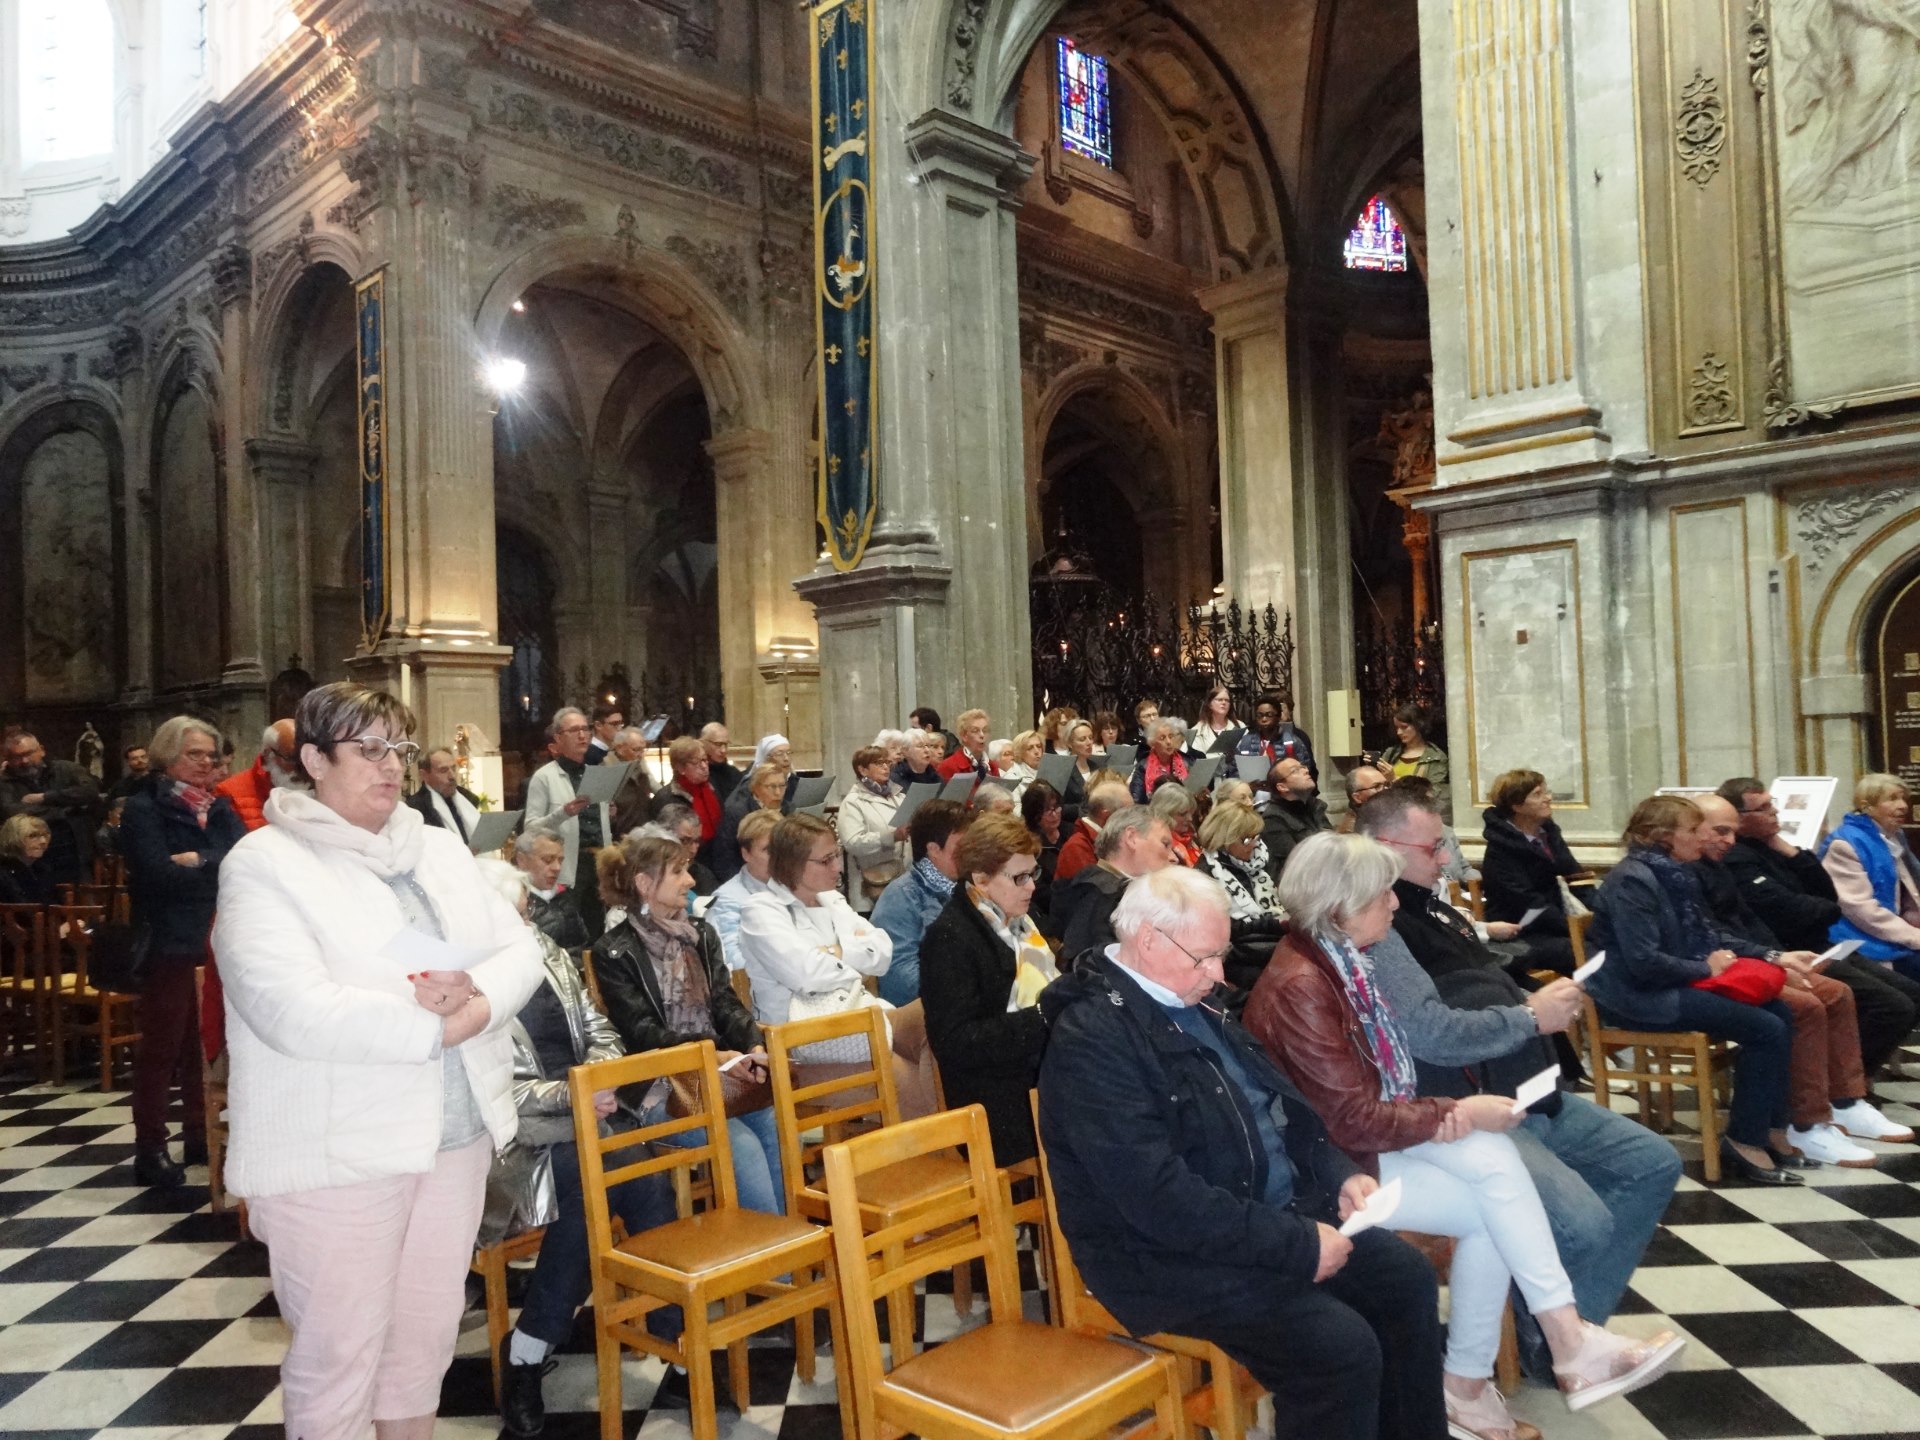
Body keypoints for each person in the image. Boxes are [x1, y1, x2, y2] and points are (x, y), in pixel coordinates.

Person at [1246, 832, 1684, 1438]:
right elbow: (1348, 1120)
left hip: (1365, 1138)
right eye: (1381, 896)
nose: (1395, 904)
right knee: (1492, 1182)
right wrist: (1455, 1109)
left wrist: (1447, 1112)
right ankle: (1536, 1357)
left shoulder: (1340, 958)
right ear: (1341, 906)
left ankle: (1497, 1372)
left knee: (1493, 1173)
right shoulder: (1304, 984)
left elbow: (1378, 1089)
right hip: (1328, 1168)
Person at [213, 680, 544, 1440]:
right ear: (314, 760)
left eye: (397, 748)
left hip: (453, 1135)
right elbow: (288, 1006)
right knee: (339, 1358)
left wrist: (478, 1003)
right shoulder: (265, 863)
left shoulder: (436, 845)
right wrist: (438, 1029)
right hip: (338, 1148)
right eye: (368, 750)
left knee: (423, 1343)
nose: (390, 766)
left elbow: (519, 947)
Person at [1039, 867, 1449, 1440]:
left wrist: (1338, 1175)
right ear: (1149, 940)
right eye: (1204, 956)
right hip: (1162, 1255)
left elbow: (1285, 1111)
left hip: (1256, 1218)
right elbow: (1159, 1200)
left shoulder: (1198, 1003)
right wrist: (1298, 1244)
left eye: (1219, 955)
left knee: (1404, 1279)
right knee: (1338, 1350)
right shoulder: (1095, 1038)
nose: (1218, 973)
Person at [1355, 787, 1684, 1361]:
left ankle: (1566, 1336)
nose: (1445, 859)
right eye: (1433, 847)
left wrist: (1534, 999)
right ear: (1384, 847)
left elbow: (1482, 980)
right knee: (1582, 1224)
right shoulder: (1380, 925)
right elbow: (1429, 1031)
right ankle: (1557, 1347)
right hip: (1466, 1101)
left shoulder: (1432, 906)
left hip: (1528, 1086)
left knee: (1652, 1162)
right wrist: (1531, 1018)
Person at [473, 859, 676, 1437]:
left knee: (646, 1172)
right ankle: (528, 1355)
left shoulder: (548, 953)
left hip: (587, 1116)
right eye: (509, 918)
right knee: (593, 1192)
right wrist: (572, 1094)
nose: (523, 928)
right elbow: (488, 1085)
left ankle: (663, 1326)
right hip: (512, 1142)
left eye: (525, 914)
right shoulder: (463, 979)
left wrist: (601, 1077)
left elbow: (600, 1027)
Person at [1585, 795, 1800, 1184]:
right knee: (1766, 1029)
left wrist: (1769, 955)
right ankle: (1744, 1140)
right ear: (1662, 836)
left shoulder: (1675, 874)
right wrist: (1705, 966)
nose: (1701, 838)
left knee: (1780, 1012)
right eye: (1692, 830)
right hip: (1637, 997)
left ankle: (1771, 1128)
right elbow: (1643, 962)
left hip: (1671, 982)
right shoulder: (1633, 879)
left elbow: (1710, 933)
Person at [1693, 795, 1911, 1162]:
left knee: (1837, 993)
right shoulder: (1673, 873)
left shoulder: (1717, 864)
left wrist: (1775, 957)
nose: (1727, 840)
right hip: (1707, 975)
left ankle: (1843, 1101)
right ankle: (1804, 1121)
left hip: (1763, 956)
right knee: (1805, 1006)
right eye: (1719, 831)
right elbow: (1698, 940)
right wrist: (1773, 960)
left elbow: (1804, 903)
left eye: (1731, 831)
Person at [591, 833, 784, 1215]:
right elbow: (644, 1032)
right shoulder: (614, 951)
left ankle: (788, 1249)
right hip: (661, 1085)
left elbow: (726, 1004)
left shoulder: (700, 934)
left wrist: (752, 1045)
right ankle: (774, 1269)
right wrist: (711, 1053)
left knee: (774, 1123)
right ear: (645, 884)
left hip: (717, 1075)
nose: (691, 881)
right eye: (678, 872)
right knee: (739, 1143)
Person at [119, 716, 249, 1187]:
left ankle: (199, 1135)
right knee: (162, 1049)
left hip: (217, 937)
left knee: (206, 1045)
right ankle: (149, 1147)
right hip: (169, 940)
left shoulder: (220, 807)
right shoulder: (142, 808)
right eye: (196, 755)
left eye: (212, 756)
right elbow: (156, 875)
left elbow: (245, 861)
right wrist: (212, 870)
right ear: (168, 755)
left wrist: (199, 860)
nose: (207, 764)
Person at [735, 813, 935, 1118]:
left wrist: (833, 952)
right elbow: (807, 975)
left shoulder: (831, 900)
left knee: (936, 1018)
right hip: (803, 1045)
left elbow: (882, 953)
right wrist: (854, 954)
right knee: (904, 1077)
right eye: (826, 860)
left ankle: (947, 1141)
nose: (838, 867)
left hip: (861, 1019)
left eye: (836, 856)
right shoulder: (760, 912)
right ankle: (924, 1153)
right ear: (795, 863)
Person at [1720, 775, 1920, 1077]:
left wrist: (1786, 848)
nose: (1774, 813)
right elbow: (1791, 909)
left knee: (1912, 995)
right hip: (1794, 952)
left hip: (1824, 944)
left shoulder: (1773, 848)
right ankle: (1840, 1085)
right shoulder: (1737, 859)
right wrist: (1825, 908)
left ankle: (1847, 1080)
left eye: (1771, 805)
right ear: (1739, 818)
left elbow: (1825, 891)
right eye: (1762, 809)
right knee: (1890, 1006)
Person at [920, 812, 1058, 1166]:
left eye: (1034, 874)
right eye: (1020, 877)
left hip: (1034, 1077)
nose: (1032, 887)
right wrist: (1043, 1019)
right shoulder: (951, 937)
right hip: (992, 1100)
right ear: (980, 879)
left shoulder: (1023, 921)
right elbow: (956, 1042)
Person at [1480, 769, 1592, 974]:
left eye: (1546, 791)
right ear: (1517, 805)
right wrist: (1579, 929)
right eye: (1538, 794)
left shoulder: (1548, 834)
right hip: (1523, 932)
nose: (1548, 798)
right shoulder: (1500, 851)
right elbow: (1532, 906)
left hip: (1560, 924)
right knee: (1589, 952)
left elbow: (1577, 879)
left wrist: (1599, 917)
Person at [1822, 772, 1920, 985]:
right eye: (1892, 798)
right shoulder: (1845, 844)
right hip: (1859, 939)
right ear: (1867, 806)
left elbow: (1910, 888)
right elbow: (1861, 910)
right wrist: (1914, 937)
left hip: (1896, 931)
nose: (1903, 805)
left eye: (1903, 798)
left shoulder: (1893, 835)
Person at [869, 799, 970, 1005]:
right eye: (963, 847)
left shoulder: (968, 886)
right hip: (928, 1013)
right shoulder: (901, 897)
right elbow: (899, 976)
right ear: (933, 849)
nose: (971, 854)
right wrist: (964, 991)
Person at [524, 708, 610, 937]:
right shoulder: (544, 777)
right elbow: (530, 828)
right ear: (558, 739)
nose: (583, 735)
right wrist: (563, 813)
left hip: (599, 860)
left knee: (599, 927)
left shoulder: (595, 772)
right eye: (574, 730)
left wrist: (607, 811)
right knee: (573, 930)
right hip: (569, 863)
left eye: (585, 729)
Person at [1054, 805, 1176, 959]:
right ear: (1132, 838)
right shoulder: (1101, 897)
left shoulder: (1104, 890)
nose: (1173, 857)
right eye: (1165, 844)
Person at [1198, 800, 1286, 997]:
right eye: (1246, 840)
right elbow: (1223, 929)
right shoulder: (1206, 873)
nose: (1254, 844)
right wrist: (1272, 924)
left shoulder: (1262, 858)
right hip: (1239, 952)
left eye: (1256, 837)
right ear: (1224, 840)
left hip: (1273, 937)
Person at [0, 728, 104, 890]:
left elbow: (90, 791)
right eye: (17, 757)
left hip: (77, 852)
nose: (25, 761)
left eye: (29, 753)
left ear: (41, 750)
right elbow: (12, 811)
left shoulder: (66, 769)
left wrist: (44, 797)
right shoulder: (5, 782)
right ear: (7, 758)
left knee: (83, 908)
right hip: (33, 861)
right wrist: (64, 810)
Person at [836, 744, 908, 914]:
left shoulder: (898, 796)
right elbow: (852, 842)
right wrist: (891, 837)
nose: (885, 767)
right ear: (863, 770)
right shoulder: (853, 802)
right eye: (879, 763)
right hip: (870, 886)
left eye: (887, 763)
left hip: (901, 879)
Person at [708, 807, 780, 972]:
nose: (777, 856)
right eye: (768, 850)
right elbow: (733, 960)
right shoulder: (727, 899)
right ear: (746, 854)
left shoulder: (796, 886)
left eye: (780, 847)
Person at [512, 826, 589, 954]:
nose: (557, 868)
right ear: (522, 860)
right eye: (548, 860)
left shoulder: (564, 897)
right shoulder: (511, 903)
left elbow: (583, 944)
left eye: (560, 860)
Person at [711, 760, 788, 884]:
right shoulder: (737, 813)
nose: (778, 793)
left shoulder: (788, 809)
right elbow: (725, 859)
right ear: (755, 788)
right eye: (772, 787)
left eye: (782, 786)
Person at [649, 736, 722, 867]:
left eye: (705, 760)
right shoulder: (667, 799)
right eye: (696, 763)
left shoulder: (711, 788)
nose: (704, 766)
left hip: (715, 860)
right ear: (680, 767)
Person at [215, 721, 300, 832]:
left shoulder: (316, 787)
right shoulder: (228, 793)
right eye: (292, 758)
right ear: (268, 753)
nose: (300, 767)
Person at [1260, 755, 1331, 881]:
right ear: (1282, 787)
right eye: (1295, 770)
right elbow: (1297, 864)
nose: (1306, 770)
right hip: (1303, 885)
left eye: (1303, 766)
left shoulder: (1315, 806)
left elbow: (1332, 843)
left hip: (1327, 875)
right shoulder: (1273, 819)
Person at [1055, 778, 1130, 885]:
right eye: (1126, 814)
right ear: (1107, 815)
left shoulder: (1105, 839)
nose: (1131, 820)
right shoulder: (1076, 848)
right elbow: (1094, 893)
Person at [1378, 704, 1450, 814]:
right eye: (1396, 728)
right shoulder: (1391, 753)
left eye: (1404, 727)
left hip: (1417, 813)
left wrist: (1395, 779)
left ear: (1418, 725)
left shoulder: (1435, 757)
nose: (1399, 733)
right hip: (1390, 811)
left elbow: (1432, 793)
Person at [406, 746, 481, 844]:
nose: (452, 776)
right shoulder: (415, 809)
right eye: (443, 770)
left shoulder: (467, 798)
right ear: (424, 775)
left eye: (453, 768)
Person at [1236, 692, 1318, 780]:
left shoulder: (1292, 741)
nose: (1264, 719)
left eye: (1269, 715)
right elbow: (1235, 769)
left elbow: (1306, 767)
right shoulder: (1246, 742)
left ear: (1278, 717)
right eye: (1260, 715)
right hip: (1254, 788)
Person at [1020, 779, 1065, 930]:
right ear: (1034, 814)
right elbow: (1039, 892)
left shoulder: (1070, 832)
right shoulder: (1028, 845)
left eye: (1056, 807)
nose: (1054, 814)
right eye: (1047, 810)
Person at [1130, 716, 1191, 801]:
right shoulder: (1143, 766)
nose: (1169, 742)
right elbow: (1136, 800)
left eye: (1171, 736)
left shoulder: (1188, 762)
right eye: (1162, 738)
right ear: (1153, 743)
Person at [0, 814, 55, 905]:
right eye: (33, 836)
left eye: (45, 835)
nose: (43, 841)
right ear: (13, 838)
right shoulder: (3, 873)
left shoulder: (41, 870)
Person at [935, 708, 998, 783]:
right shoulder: (948, 766)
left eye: (985, 730)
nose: (982, 735)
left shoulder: (992, 766)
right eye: (975, 731)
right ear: (964, 736)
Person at [1148, 780, 1201, 866]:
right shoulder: (1158, 847)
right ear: (1164, 813)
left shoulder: (1193, 837)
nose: (1190, 818)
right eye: (1183, 814)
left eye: (1191, 813)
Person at [1188, 684, 1241, 754]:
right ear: (1210, 704)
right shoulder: (1198, 730)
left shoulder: (1239, 726)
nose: (1224, 703)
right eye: (1220, 700)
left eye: (1227, 700)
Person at [699, 723, 744, 802]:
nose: (723, 750)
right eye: (718, 744)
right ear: (703, 743)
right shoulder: (698, 774)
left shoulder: (734, 774)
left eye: (725, 744)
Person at [889, 727, 943, 792]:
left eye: (928, 746)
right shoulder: (896, 778)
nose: (927, 750)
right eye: (920, 746)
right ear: (905, 751)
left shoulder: (934, 774)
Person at [1000, 728, 1045, 797]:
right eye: (1030, 748)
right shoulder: (1012, 777)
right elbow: (1016, 806)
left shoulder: (1048, 771)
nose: (1036, 751)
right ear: (1020, 753)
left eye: (1039, 746)